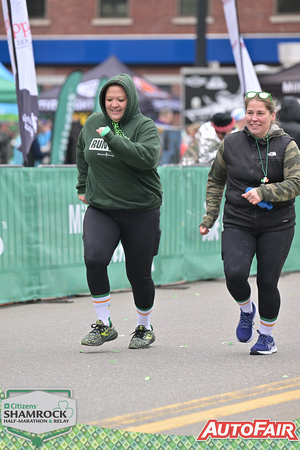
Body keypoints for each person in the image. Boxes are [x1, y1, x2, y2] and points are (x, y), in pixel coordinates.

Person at [199, 91, 300, 355]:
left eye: (260, 113)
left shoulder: (287, 144)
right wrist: (210, 216)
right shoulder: (230, 143)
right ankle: (247, 310)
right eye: (250, 113)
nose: (254, 118)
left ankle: (266, 336)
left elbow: (296, 183)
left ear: (272, 116)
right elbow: (215, 179)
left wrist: (264, 192)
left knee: (267, 282)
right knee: (234, 275)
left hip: (277, 222)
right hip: (238, 220)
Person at [76, 73, 162, 350]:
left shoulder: (144, 126)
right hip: (102, 207)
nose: (114, 104)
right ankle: (104, 325)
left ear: (130, 100)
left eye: (120, 99)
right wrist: (82, 184)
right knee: (94, 259)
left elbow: (147, 159)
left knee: (138, 273)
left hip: (141, 209)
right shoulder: (93, 123)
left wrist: (113, 138)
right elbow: (82, 152)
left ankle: (144, 327)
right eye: (109, 99)